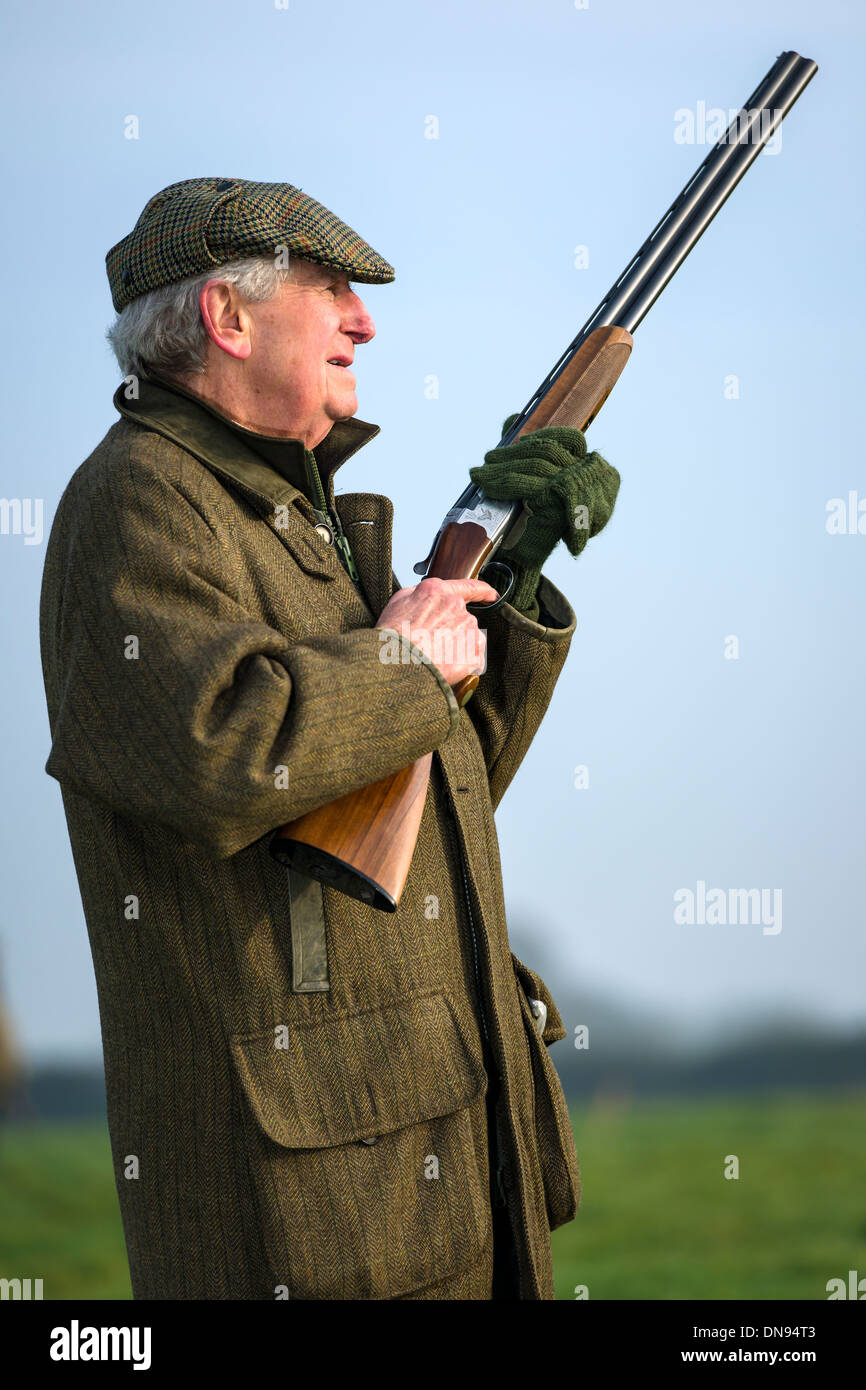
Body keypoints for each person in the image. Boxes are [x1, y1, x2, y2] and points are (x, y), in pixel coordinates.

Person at [39, 177, 620, 1300]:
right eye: (332, 290)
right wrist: (401, 658)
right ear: (226, 317)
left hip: (426, 1150)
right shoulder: (139, 499)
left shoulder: (291, 517)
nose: (364, 320)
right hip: (313, 1212)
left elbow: (429, 791)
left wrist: (505, 577)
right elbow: (219, 753)